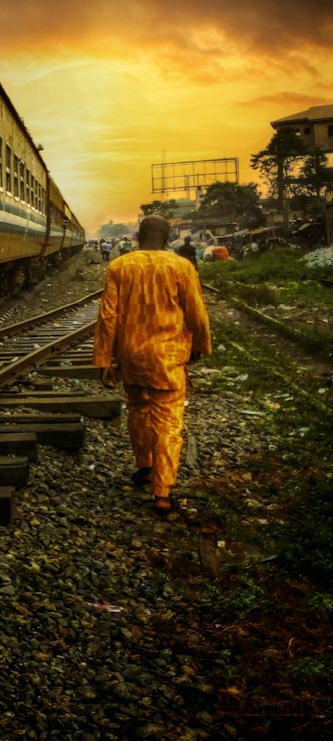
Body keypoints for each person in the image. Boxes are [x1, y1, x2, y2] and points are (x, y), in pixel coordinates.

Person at [93, 214, 212, 516]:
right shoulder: (181, 266)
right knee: (168, 422)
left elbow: (108, 317)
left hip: (132, 356)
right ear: (169, 236)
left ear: (137, 236)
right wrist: (200, 345)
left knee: (138, 410)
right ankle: (162, 492)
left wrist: (104, 358)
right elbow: (196, 313)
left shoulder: (119, 266)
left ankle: (145, 466)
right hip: (169, 357)